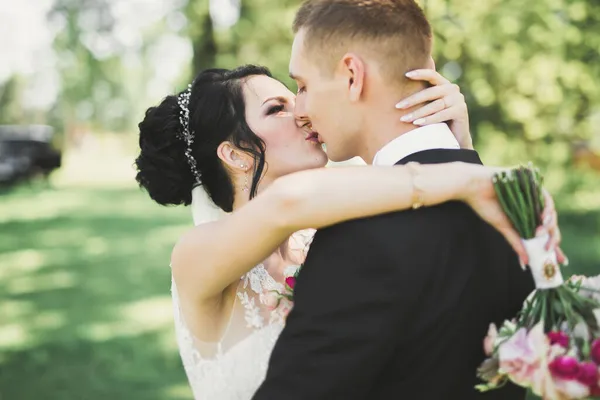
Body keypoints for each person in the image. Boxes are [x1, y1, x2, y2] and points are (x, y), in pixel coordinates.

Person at [135, 65, 561, 398]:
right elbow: (288, 203)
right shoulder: (194, 256)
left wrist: (454, 145)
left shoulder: (331, 233)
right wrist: (464, 178)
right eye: (276, 109)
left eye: (295, 96)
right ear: (235, 153)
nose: (303, 112)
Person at [251, 1, 564, 399]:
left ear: (352, 76)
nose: (301, 110)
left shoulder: (357, 236)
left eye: (304, 86)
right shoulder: (515, 207)